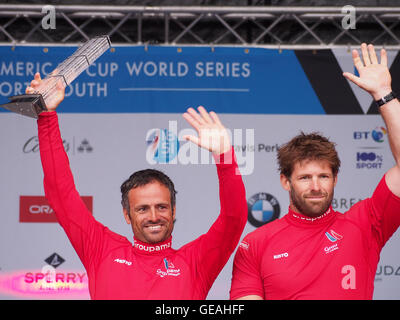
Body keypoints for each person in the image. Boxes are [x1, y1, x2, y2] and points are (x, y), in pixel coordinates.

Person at [26, 73, 247, 299]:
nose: (154, 216)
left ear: (174, 210)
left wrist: (224, 156)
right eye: (142, 208)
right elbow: (60, 194)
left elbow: (234, 218)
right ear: (126, 214)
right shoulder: (101, 249)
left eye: (161, 207)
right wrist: (46, 116)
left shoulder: (196, 262)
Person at [230, 43, 400, 300]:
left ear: (335, 179)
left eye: (323, 176)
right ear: (285, 182)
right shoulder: (255, 244)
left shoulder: (365, 224)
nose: (316, 187)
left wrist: (384, 94)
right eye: (305, 178)